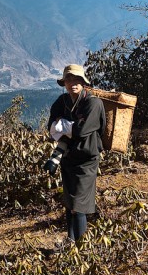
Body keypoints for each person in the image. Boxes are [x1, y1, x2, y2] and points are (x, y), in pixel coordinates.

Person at [43, 64, 106, 242]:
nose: (73, 83)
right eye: (69, 79)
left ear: (83, 82)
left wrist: (62, 125)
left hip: (86, 159)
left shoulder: (94, 103)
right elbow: (51, 127)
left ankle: (82, 247)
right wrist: (65, 127)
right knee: (70, 203)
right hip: (68, 158)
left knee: (78, 205)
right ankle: (71, 242)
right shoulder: (62, 102)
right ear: (64, 83)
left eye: (76, 79)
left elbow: (81, 130)